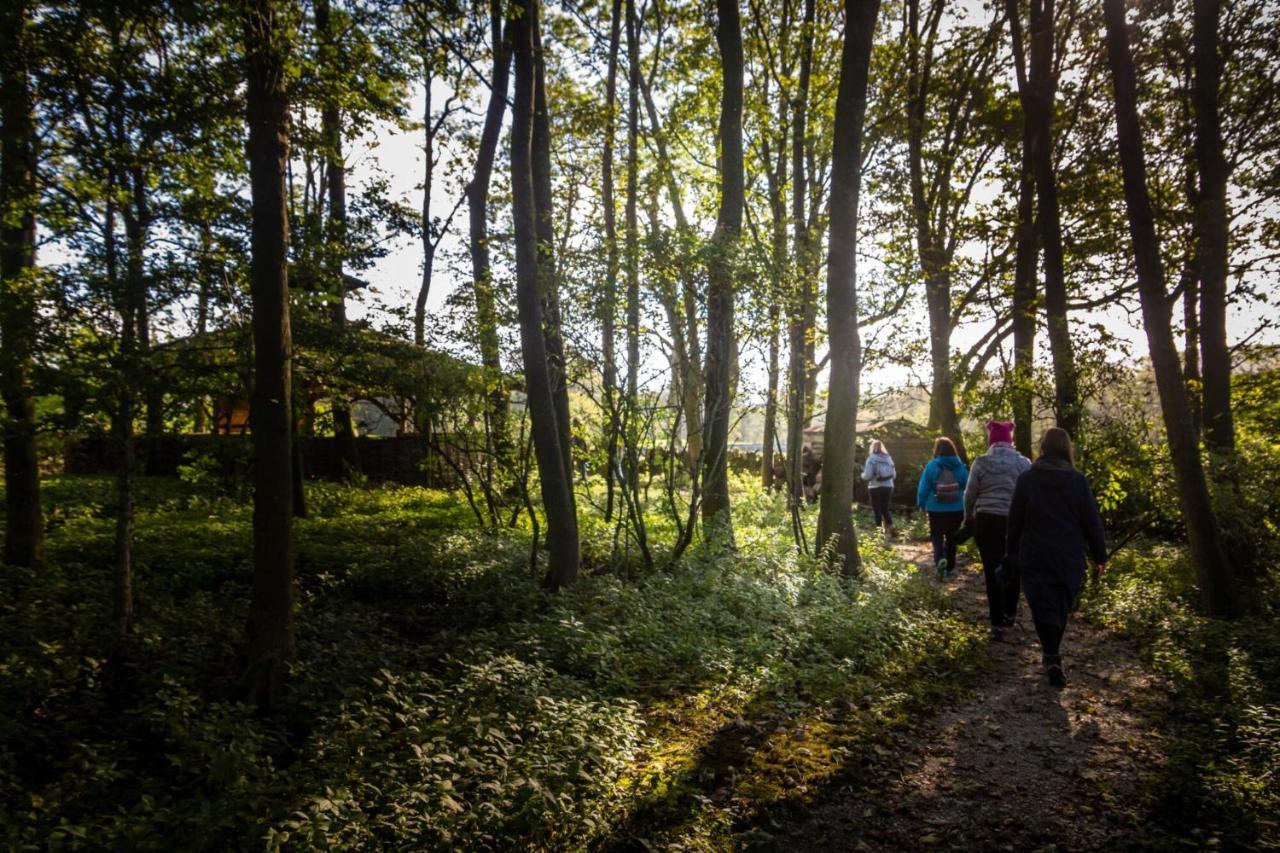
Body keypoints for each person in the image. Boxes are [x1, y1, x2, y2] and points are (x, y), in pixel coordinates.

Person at [1005, 427, 1106, 687]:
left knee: (1041, 604)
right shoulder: (1078, 480)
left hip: (1035, 551)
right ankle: (1052, 653)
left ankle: (1050, 653)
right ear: (1066, 449)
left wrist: (1011, 552)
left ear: (1044, 447)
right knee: (1060, 604)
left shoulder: (1028, 479)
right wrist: (1099, 555)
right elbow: (1091, 521)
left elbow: (1015, 520)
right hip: (1068, 552)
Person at [963, 420, 1031, 641]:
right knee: (1012, 564)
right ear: (1010, 441)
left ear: (990, 440)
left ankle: (996, 623)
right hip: (1014, 521)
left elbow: (970, 493)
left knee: (992, 568)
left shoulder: (981, 462)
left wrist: (968, 517)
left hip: (987, 520)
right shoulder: (1024, 464)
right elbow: (1030, 495)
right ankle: (1010, 613)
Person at [916, 437, 968, 580]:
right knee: (952, 537)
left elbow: (924, 486)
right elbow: (967, 485)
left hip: (936, 507)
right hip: (957, 508)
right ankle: (950, 566)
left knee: (936, 536)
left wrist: (921, 503)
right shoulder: (959, 465)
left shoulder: (932, 465)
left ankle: (939, 560)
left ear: (937, 450)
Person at [862, 439, 897, 539]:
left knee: (877, 509)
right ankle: (889, 530)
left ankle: (879, 533)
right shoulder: (889, 459)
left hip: (875, 487)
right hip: (888, 487)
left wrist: (862, 475)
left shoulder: (871, 459)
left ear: (872, 448)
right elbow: (894, 475)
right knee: (885, 508)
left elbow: (867, 475)